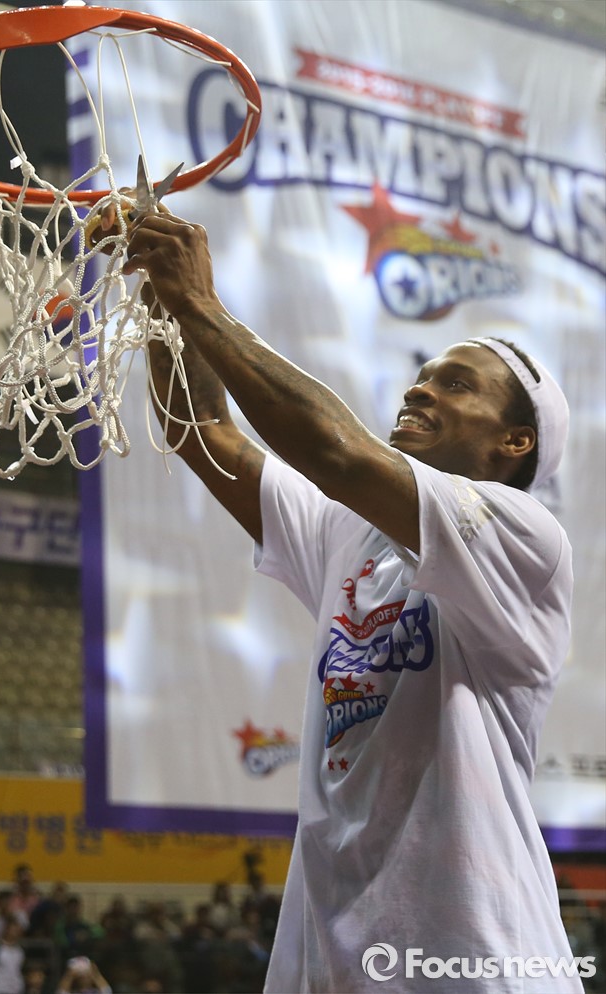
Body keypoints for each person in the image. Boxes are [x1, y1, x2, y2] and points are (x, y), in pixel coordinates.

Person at [107, 201, 581, 992]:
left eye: (455, 384)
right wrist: (165, 301)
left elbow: (336, 452)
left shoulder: (523, 536)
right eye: (423, 375)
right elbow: (202, 431)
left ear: (515, 441)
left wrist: (201, 303)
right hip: (335, 963)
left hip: (477, 960)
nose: (421, 390)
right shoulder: (347, 528)